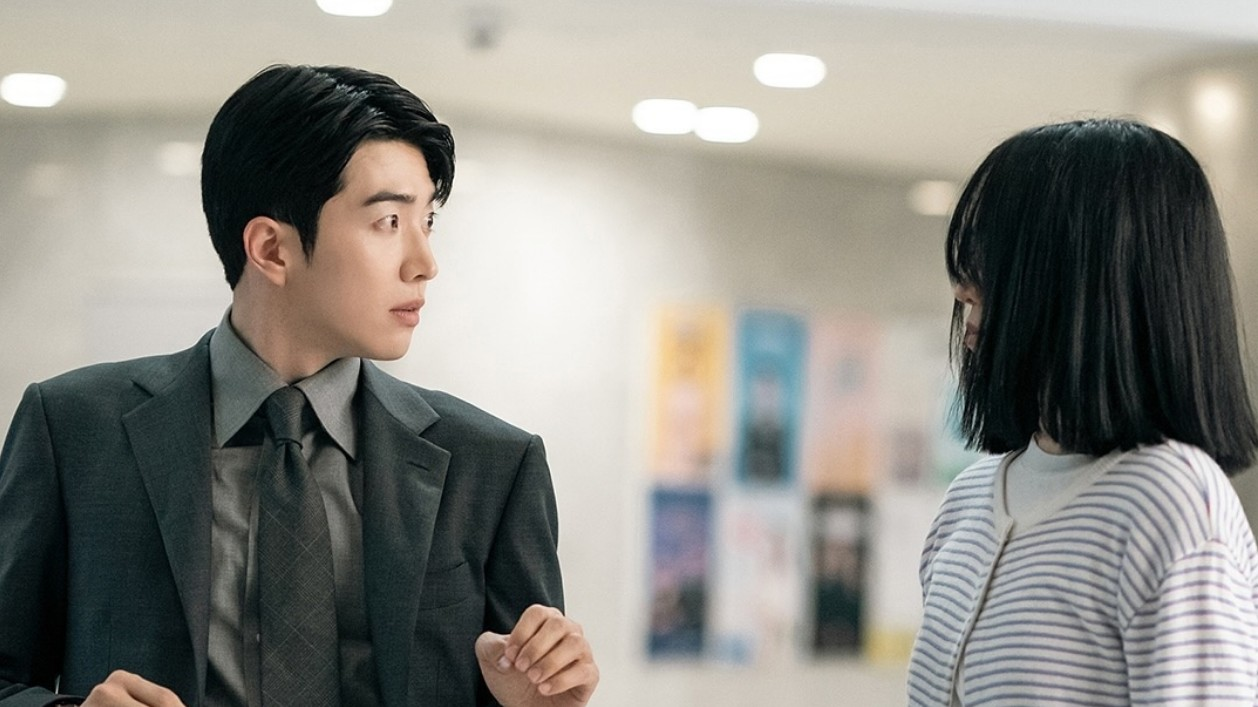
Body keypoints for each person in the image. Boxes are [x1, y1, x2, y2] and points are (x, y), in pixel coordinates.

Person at [0, 64, 599, 707]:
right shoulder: (72, 432)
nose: (425, 264)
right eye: (388, 222)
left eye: (428, 221)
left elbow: (529, 685)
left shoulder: (494, 466)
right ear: (271, 249)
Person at [907, 118, 1258, 705]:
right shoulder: (966, 501)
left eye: (996, 257)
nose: (963, 290)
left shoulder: (1168, 502)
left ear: (1083, 278)